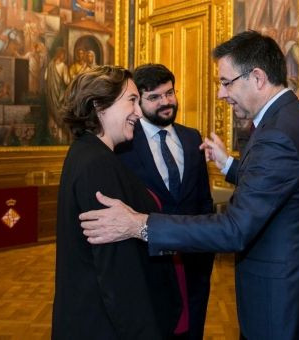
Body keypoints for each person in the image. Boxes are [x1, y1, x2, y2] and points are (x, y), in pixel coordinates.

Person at [80, 30, 299, 340]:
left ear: (257, 77)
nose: (221, 94)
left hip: (284, 298)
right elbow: (277, 185)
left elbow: (235, 228)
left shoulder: (278, 134)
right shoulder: (290, 120)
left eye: (226, 82)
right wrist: (230, 166)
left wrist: (140, 224)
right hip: (296, 285)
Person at [51, 66, 182, 339]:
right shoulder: (97, 163)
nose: (138, 111)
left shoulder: (88, 153)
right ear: (100, 106)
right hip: (105, 325)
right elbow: (116, 268)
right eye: (132, 100)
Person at [114, 63, 214, 340]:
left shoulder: (191, 136)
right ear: (139, 101)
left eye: (169, 93)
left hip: (193, 259)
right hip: (149, 261)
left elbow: (203, 200)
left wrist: (206, 253)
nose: (166, 102)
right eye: (155, 97)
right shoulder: (124, 144)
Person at [45, 47, 71, 144]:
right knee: (60, 113)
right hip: (60, 94)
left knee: (52, 114)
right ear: (60, 54)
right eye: (63, 54)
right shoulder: (63, 66)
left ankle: (53, 136)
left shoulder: (50, 65)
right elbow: (67, 81)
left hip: (51, 95)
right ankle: (61, 138)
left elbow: (45, 78)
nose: (64, 56)